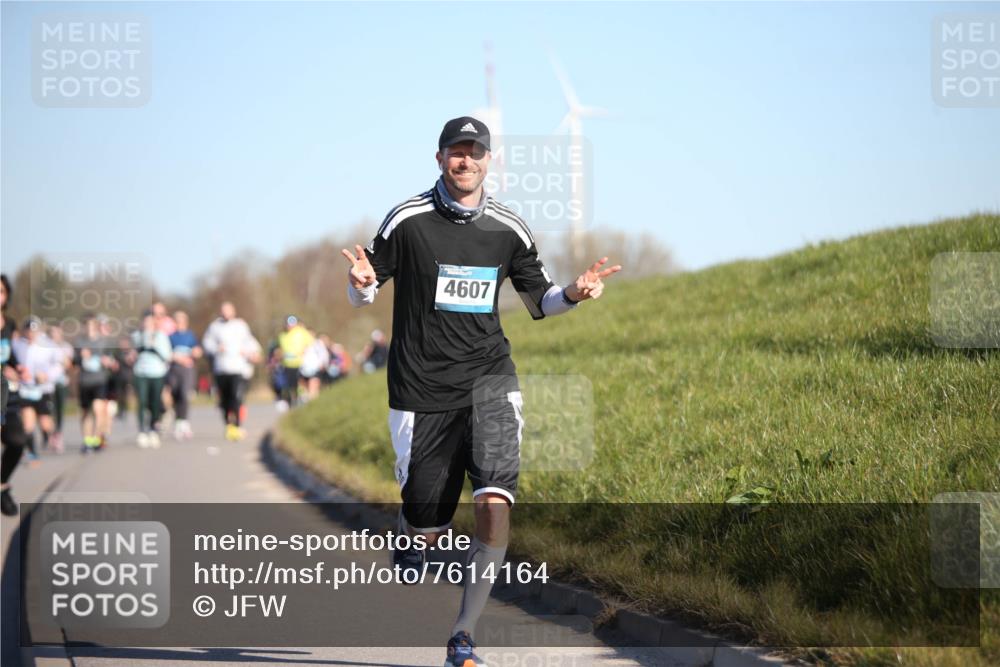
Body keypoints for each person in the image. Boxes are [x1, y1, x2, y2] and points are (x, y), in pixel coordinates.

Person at [341, 116, 621, 667]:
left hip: (491, 381)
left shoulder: (510, 227)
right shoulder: (407, 220)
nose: (465, 161)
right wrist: (360, 286)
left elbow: (540, 301)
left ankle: (462, 638)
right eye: (456, 152)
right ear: (440, 157)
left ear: (489, 160)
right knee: (428, 526)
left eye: (475, 152)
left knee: (495, 500)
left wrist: (575, 292)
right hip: (421, 392)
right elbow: (366, 285)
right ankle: (411, 532)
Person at [202, 302, 261, 441]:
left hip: (237, 368)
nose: (226, 313)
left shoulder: (240, 326)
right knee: (224, 400)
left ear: (233, 311)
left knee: (236, 397)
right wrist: (217, 348)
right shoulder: (214, 327)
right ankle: (228, 425)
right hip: (221, 368)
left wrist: (253, 353)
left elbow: (250, 343)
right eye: (223, 311)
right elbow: (207, 344)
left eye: (228, 310)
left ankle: (238, 426)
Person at [1, 274, 29, 515]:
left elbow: (8, 353)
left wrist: (17, 366)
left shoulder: (9, 324)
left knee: (17, 442)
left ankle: (2, 485)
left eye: (1, 291)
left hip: (7, 394)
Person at [15, 318, 61, 455]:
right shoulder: (17, 345)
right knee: (27, 424)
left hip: (43, 389)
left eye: (34, 331)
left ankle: (52, 436)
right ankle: (32, 453)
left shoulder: (48, 345)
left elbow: (59, 365)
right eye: (28, 331)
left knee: (45, 423)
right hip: (25, 389)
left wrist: (47, 376)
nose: (31, 334)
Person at [74, 315, 116, 453]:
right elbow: (73, 363)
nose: (90, 327)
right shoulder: (79, 341)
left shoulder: (104, 342)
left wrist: (107, 361)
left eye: (93, 325)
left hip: (100, 380)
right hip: (84, 381)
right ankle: (87, 441)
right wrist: (81, 357)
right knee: (86, 413)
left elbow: (112, 361)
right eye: (87, 325)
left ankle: (97, 438)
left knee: (98, 410)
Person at [131, 311, 172, 448]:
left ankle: (154, 429)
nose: (147, 324)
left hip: (157, 373)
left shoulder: (161, 336)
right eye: (145, 321)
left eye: (150, 321)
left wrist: (154, 347)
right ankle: (142, 431)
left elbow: (167, 356)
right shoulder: (136, 336)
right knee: (142, 401)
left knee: (155, 402)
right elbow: (130, 355)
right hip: (140, 373)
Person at [167, 310, 202, 439]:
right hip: (174, 369)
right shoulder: (170, 337)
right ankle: (178, 421)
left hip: (187, 369)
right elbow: (167, 353)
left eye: (181, 321)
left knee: (184, 394)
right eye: (177, 321)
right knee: (175, 394)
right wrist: (178, 358)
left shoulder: (190, 335)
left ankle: (184, 422)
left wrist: (194, 353)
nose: (179, 323)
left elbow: (198, 350)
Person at [277, 315, 314, 407]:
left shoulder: (301, 332)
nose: (290, 326)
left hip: (301, 363)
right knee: (290, 384)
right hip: (287, 364)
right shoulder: (282, 335)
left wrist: (304, 352)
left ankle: (303, 398)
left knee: (301, 382)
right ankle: (293, 401)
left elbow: (311, 343)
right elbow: (280, 348)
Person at [47, 325, 74, 451]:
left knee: (59, 410)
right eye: (52, 332)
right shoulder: (44, 346)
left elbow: (68, 364)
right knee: (49, 410)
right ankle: (50, 434)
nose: (55, 334)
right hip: (47, 384)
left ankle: (58, 434)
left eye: (57, 332)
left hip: (61, 382)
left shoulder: (66, 347)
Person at [299, 330, 329, 401]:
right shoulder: (301, 344)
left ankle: (312, 403)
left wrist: (323, 364)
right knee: (304, 389)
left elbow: (324, 355)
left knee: (313, 388)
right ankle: (306, 402)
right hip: (303, 369)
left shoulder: (318, 344)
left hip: (315, 369)